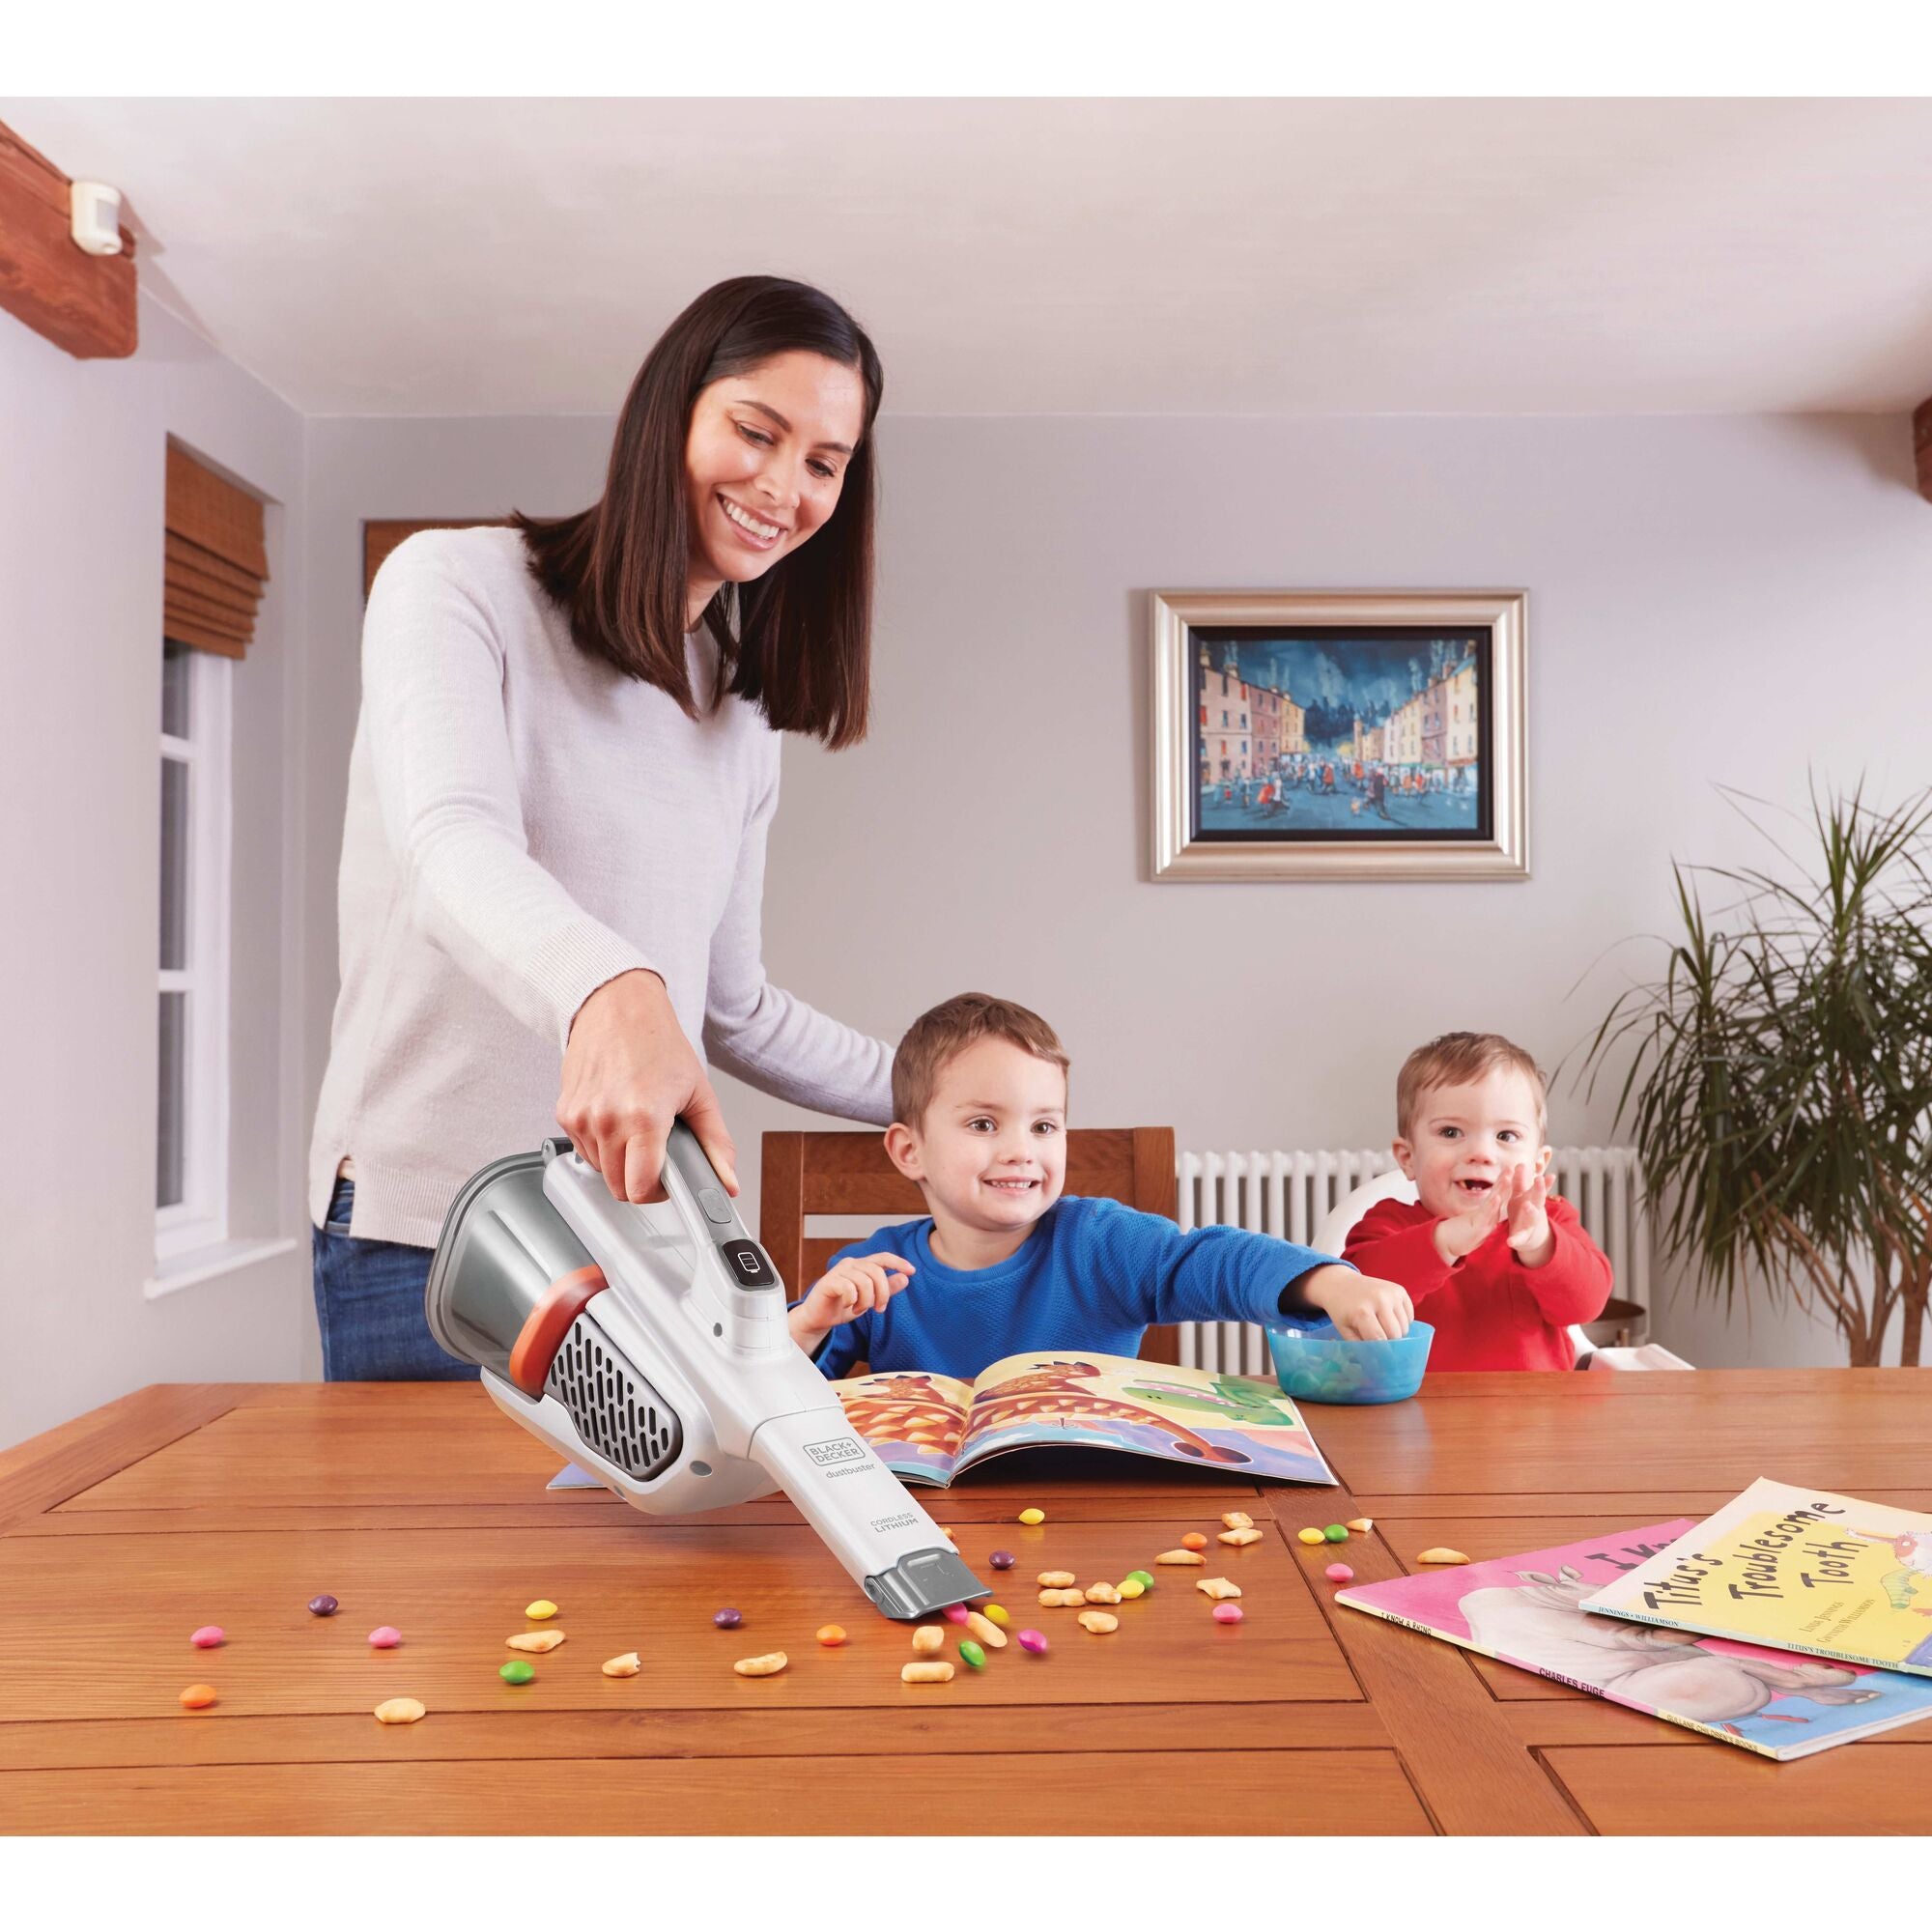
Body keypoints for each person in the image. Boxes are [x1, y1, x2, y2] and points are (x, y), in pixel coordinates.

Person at [309, 276, 898, 1380]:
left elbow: (730, 1007)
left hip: (645, 1245)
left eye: (823, 463)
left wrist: (941, 1085)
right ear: (669, 411)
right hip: (434, 1233)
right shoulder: (454, 582)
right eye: (754, 431)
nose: (783, 486)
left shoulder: (736, 707)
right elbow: (450, 844)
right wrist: (611, 987)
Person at [785, 994, 1413, 1378]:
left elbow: (1215, 1260)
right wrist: (807, 1325)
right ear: (909, 1150)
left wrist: (1331, 1280)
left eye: (1043, 1125)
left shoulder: (1101, 1243)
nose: (1020, 1151)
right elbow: (774, 1397)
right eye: (983, 1123)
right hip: (929, 1520)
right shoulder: (869, 1274)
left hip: (1102, 1513)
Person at [1341, 1032, 1613, 1370]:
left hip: (1535, 1416)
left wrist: (1541, 1246)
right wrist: (1444, 1241)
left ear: (1538, 1163)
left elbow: (1586, 1305)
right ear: (1408, 1157)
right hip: (1412, 1416)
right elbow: (1355, 1292)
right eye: (1451, 1132)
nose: (1481, 1154)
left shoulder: (1549, 1220)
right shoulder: (1388, 1225)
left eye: (1506, 1136)